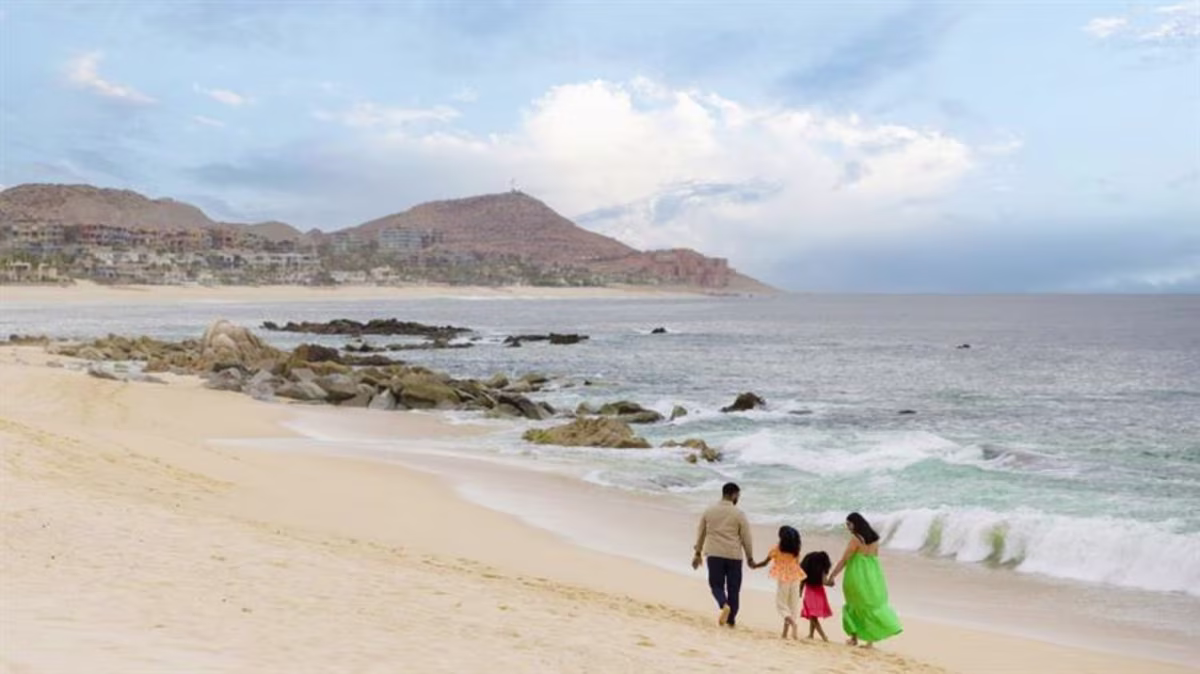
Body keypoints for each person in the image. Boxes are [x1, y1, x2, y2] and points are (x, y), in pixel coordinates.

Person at [827, 512, 902, 647]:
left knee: (854, 606)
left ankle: (854, 638)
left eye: (849, 524)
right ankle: (870, 641)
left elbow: (844, 560)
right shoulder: (875, 539)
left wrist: (832, 576)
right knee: (870, 606)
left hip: (856, 576)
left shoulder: (855, 539)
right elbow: (875, 558)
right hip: (873, 577)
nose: (848, 527)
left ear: (856, 523)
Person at [692, 482, 754, 627]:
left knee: (716, 585)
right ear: (733, 495)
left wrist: (697, 553)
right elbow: (746, 537)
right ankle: (731, 620)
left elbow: (701, 533)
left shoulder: (709, 511)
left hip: (714, 554)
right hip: (734, 556)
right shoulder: (739, 514)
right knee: (734, 589)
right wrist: (750, 557)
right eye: (738, 495)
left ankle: (723, 604)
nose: (738, 498)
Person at [749, 525, 806, 639]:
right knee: (792, 605)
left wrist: (754, 566)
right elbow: (797, 564)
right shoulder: (796, 551)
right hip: (796, 578)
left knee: (781, 605)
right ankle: (785, 633)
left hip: (784, 578)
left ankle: (793, 624)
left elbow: (765, 563)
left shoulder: (776, 549)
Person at [799, 551, 833, 641]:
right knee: (813, 615)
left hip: (810, 592)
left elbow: (802, 581)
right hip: (820, 592)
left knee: (812, 616)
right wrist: (831, 583)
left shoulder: (807, 570)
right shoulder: (822, 569)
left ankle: (823, 636)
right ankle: (811, 634)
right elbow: (825, 582)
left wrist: (800, 591)